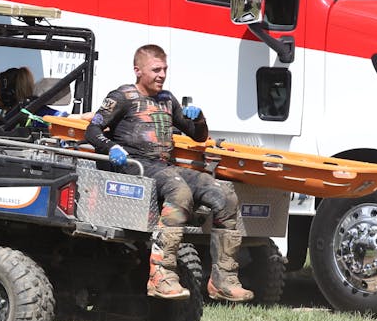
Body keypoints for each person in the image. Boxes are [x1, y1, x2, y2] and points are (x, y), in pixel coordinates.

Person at [85, 44, 253, 302]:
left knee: (224, 194)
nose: (162, 75)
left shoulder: (167, 99)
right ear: (138, 70)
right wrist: (111, 148)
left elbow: (199, 136)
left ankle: (223, 279)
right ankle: (161, 275)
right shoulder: (122, 97)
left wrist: (198, 119)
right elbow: (93, 130)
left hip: (164, 166)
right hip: (136, 165)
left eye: (164, 69)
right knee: (179, 192)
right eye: (156, 70)